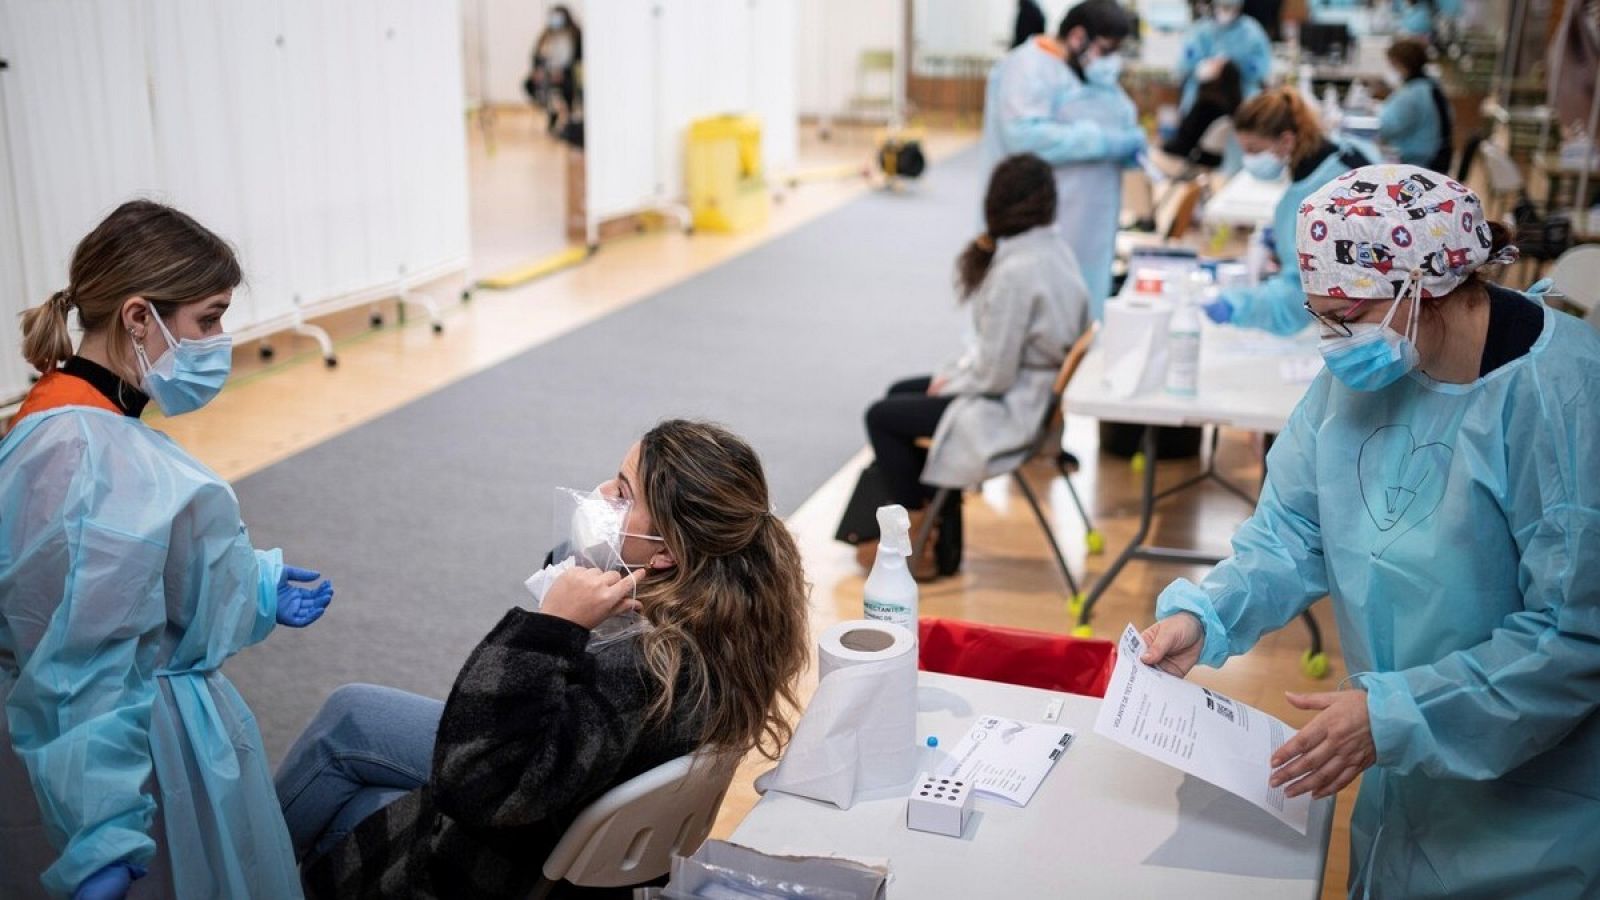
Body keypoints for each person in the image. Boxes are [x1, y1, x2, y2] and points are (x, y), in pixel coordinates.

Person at [1139, 164, 1600, 897]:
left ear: (1428, 287)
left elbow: (1572, 636)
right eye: (1320, 314)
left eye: (1345, 316)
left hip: (1532, 808)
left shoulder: (1563, 396)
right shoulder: (1369, 374)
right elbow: (1292, 525)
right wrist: (1211, 613)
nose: (1332, 340)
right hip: (1397, 777)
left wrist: (1397, 714)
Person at [275, 420, 811, 899]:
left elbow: (480, 783)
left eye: (622, 493)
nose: (602, 493)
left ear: (667, 550)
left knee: (342, 788)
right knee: (355, 712)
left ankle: (237, 875)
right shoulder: (729, 612)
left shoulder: (643, 668)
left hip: (500, 849)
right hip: (565, 804)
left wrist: (552, 628)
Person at [0, 200, 334, 900]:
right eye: (207, 319)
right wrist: (102, 830)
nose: (219, 339)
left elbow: (143, 578)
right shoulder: (81, 452)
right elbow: (80, 659)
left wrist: (253, 585)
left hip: (138, 738)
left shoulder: (84, 422)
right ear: (137, 317)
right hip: (128, 759)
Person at [852, 154, 1091, 580]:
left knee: (882, 416)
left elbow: (994, 375)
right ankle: (934, 532)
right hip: (1029, 392)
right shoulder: (1058, 251)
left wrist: (950, 383)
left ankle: (918, 538)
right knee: (899, 392)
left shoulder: (1017, 269)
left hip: (1011, 404)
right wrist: (952, 379)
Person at [980, 0, 1145, 317]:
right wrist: (1102, 141)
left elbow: (1115, 112)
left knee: (1082, 308)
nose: (1111, 61)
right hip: (1046, 215)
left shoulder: (1080, 69)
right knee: (1039, 311)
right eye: (1106, 50)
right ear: (1078, 37)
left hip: (1089, 222)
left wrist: (1127, 141)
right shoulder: (1027, 68)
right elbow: (1025, 138)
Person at [1202, 88, 1371, 335]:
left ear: (1287, 141)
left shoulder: (1314, 198)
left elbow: (1301, 298)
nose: (1249, 159)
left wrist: (1239, 306)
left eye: (1254, 149)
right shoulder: (1341, 154)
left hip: (1361, 322)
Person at [1175, 0, 1272, 115]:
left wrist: (1232, 68)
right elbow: (1186, 62)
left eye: (1229, 7)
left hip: (1241, 97)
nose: (1225, 11)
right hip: (1202, 99)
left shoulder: (1252, 32)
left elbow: (1260, 67)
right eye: (1222, 6)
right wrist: (1202, 68)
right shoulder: (1200, 31)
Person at [1377, 39, 1453, 172]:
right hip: (1435, 155)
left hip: (1420, 162)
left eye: (1392, 64)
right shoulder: (1429, 85)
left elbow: (1387, 127)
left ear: (1401, 64)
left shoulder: (1412, 94)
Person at [1158, 59, 1243, 171]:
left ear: (1221, 75)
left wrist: (1160, 147)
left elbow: (1183, 144)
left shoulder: (1207, 107)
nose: (1208, 63)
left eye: (1215, 64)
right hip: (1211, 162)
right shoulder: (1231, 107)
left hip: (1188, 161)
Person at [523, 4, 582, 136]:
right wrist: (537, 71)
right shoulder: (545, 36)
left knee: (568, 85)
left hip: (566, 74)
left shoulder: (575, 35)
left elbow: (578, 59)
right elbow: (536, 56)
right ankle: (551, 111)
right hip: (547, 73)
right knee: (530, 84)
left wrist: (563, 72)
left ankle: (567, 118)